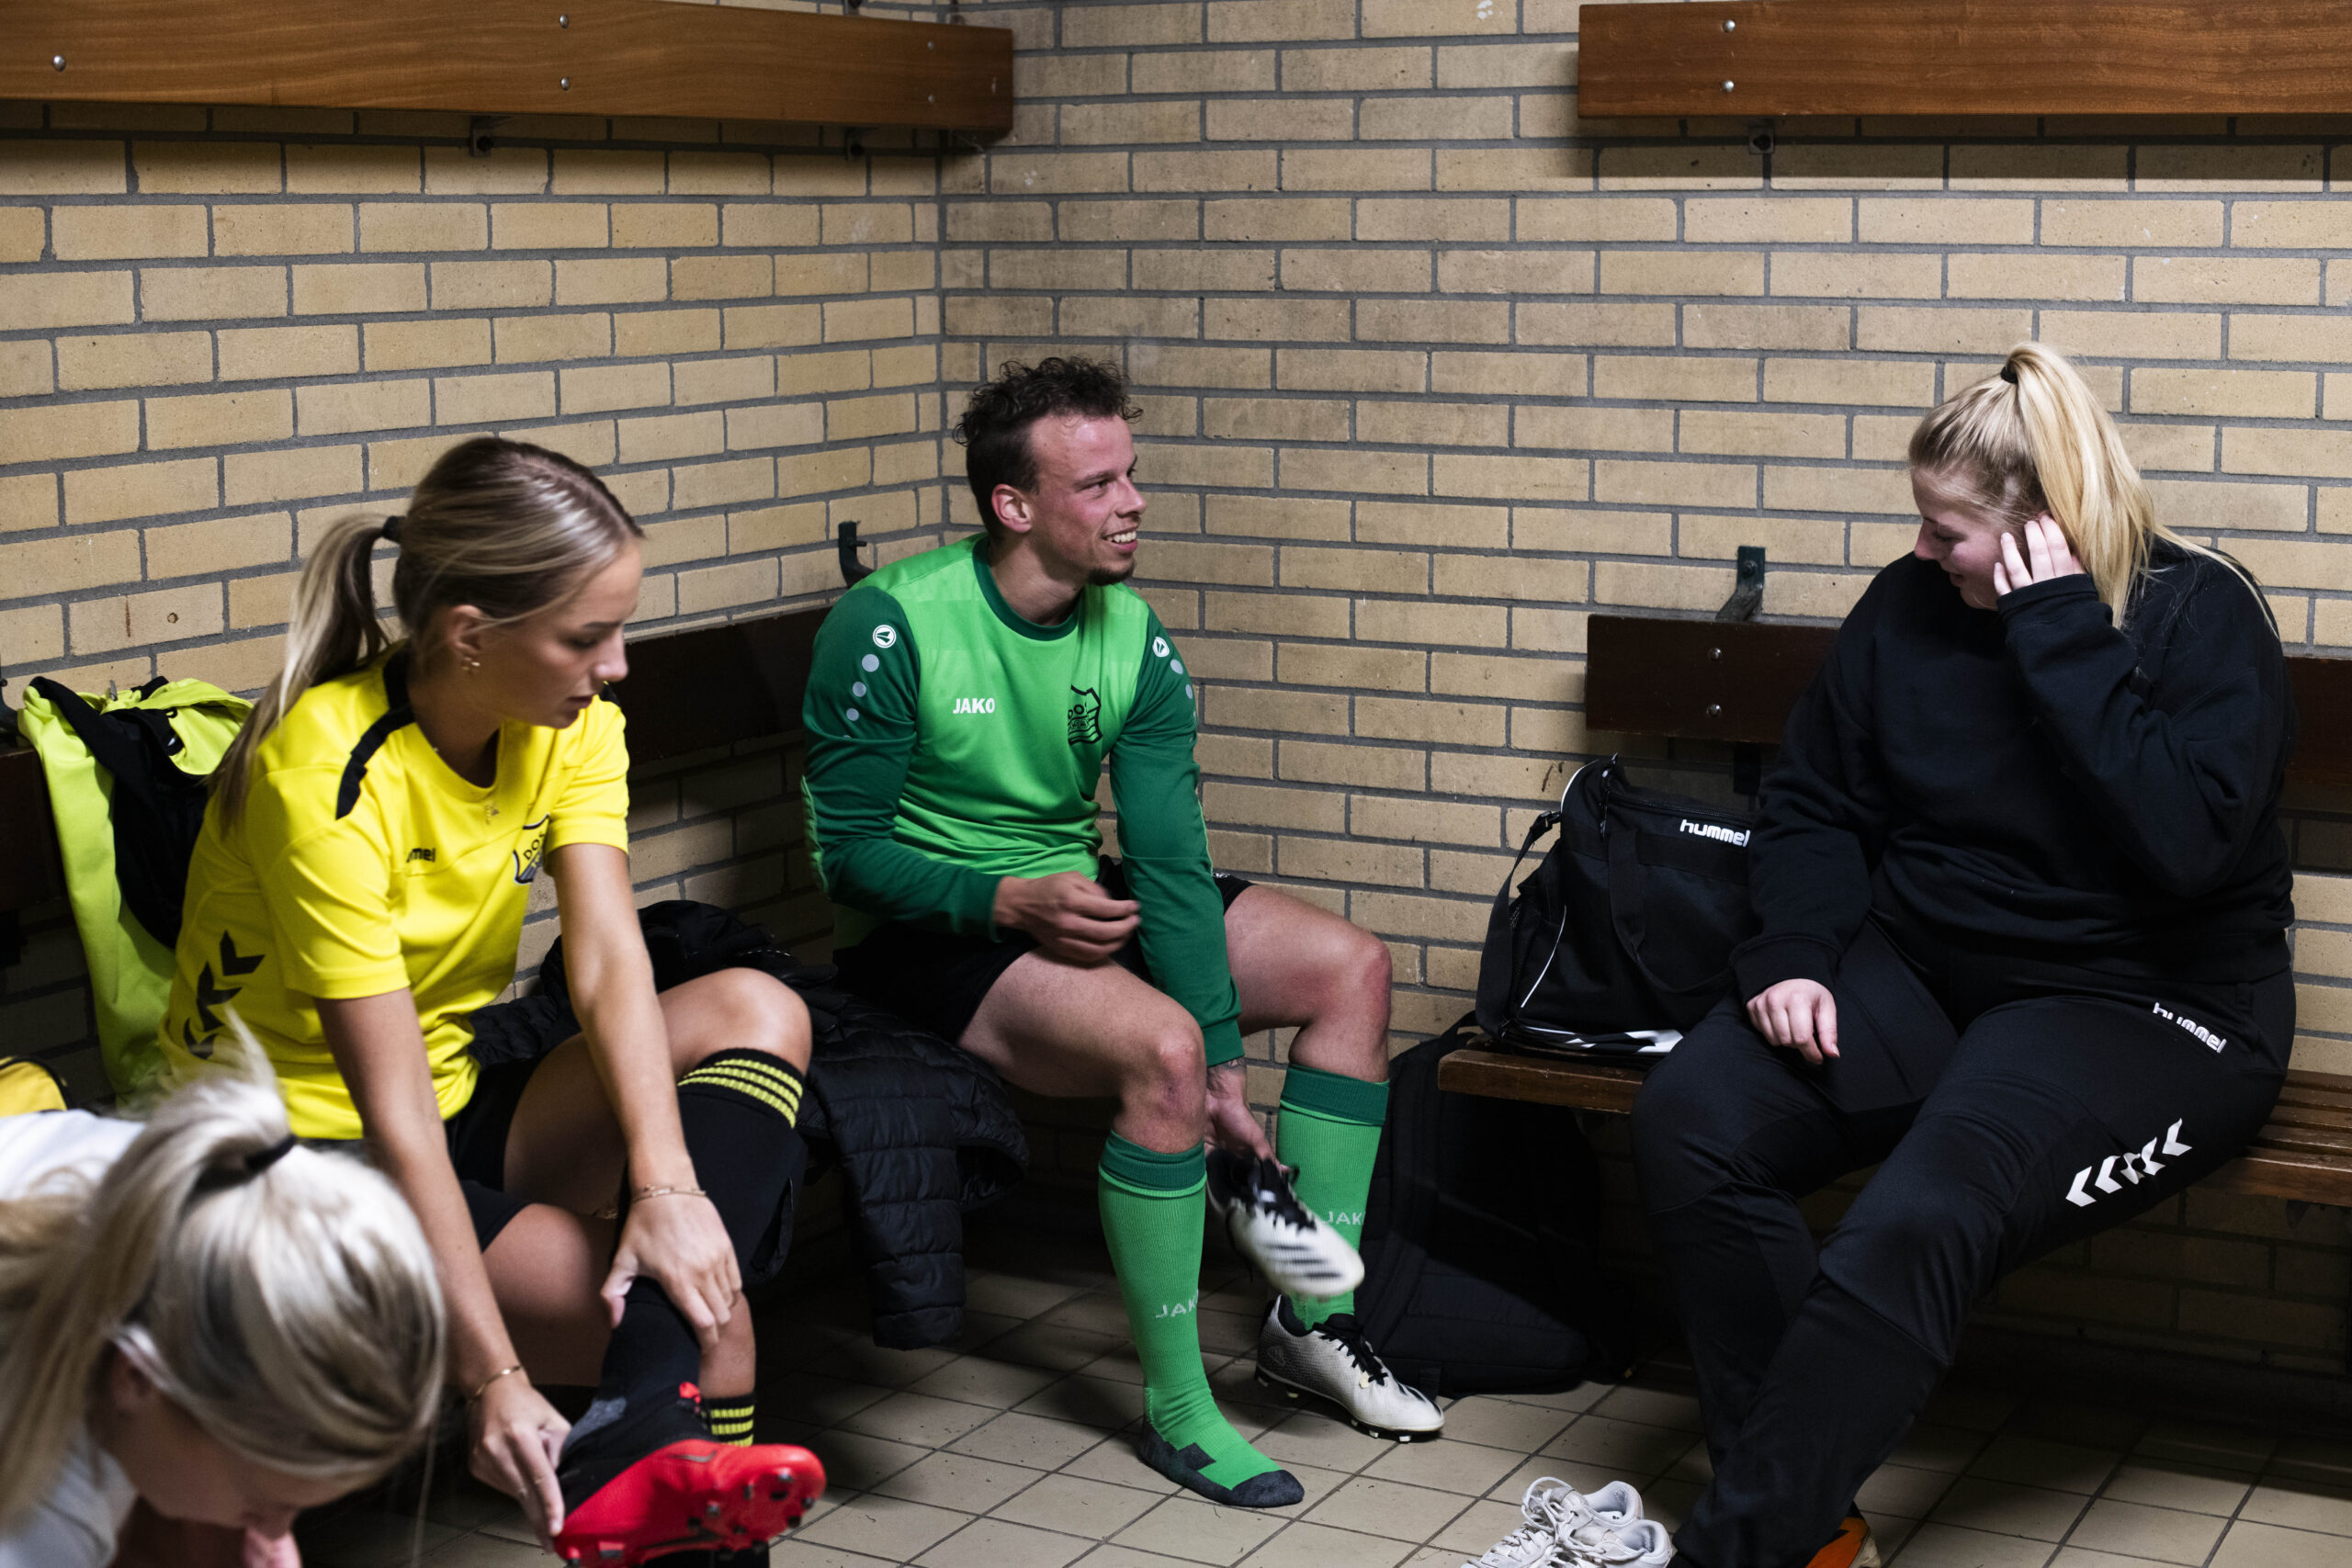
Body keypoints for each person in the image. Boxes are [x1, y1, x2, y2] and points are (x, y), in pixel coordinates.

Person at [1538, 343, 2293, 1568]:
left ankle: (1740, 1546)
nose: (1925, 552)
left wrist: (2058, 631)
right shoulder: (1911, 606)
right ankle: (1813, 1524)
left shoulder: (2197, 618)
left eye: (1950, 531)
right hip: (1934, 965)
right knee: (1695, 1117)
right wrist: (1791, 951)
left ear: (2045, 528)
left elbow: (2186, 847)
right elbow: (1819, 802)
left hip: (2150, 1002)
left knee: (1919, 1214)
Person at [156, 437, 824, 1565]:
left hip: (449, 1095)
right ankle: (641, 1423)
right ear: (470, 634)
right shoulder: (323, 779)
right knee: (715, 1333)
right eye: (584, 636)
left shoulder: (567, 725)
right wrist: (496, 1380)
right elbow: (390, 1111)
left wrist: (666, 1189)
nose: (615, 665)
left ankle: (630, 1428)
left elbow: (610, 963)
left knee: (758, 1005)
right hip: (279, 1154)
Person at [800, 355, 1442, 1507]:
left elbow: (1169, 863)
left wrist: (1233, 1060)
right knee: (1162, 1056)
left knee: (1351, 969)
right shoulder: (891, 623)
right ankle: (1181, 1413)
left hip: (1069, 896)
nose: (1131, 502)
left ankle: (1314, 1321)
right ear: (1015, 505)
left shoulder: (1130, 632)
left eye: (1128, 475)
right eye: (1096, 484)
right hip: (932, 930)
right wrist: (1002, 903)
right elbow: (844, 855)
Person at [0, 1059, 445, 1568]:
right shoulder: (33, 1533)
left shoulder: (205, 1187)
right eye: (263, 1506)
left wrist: (262, 1511)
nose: (277, 1535)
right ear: (137, 1380)